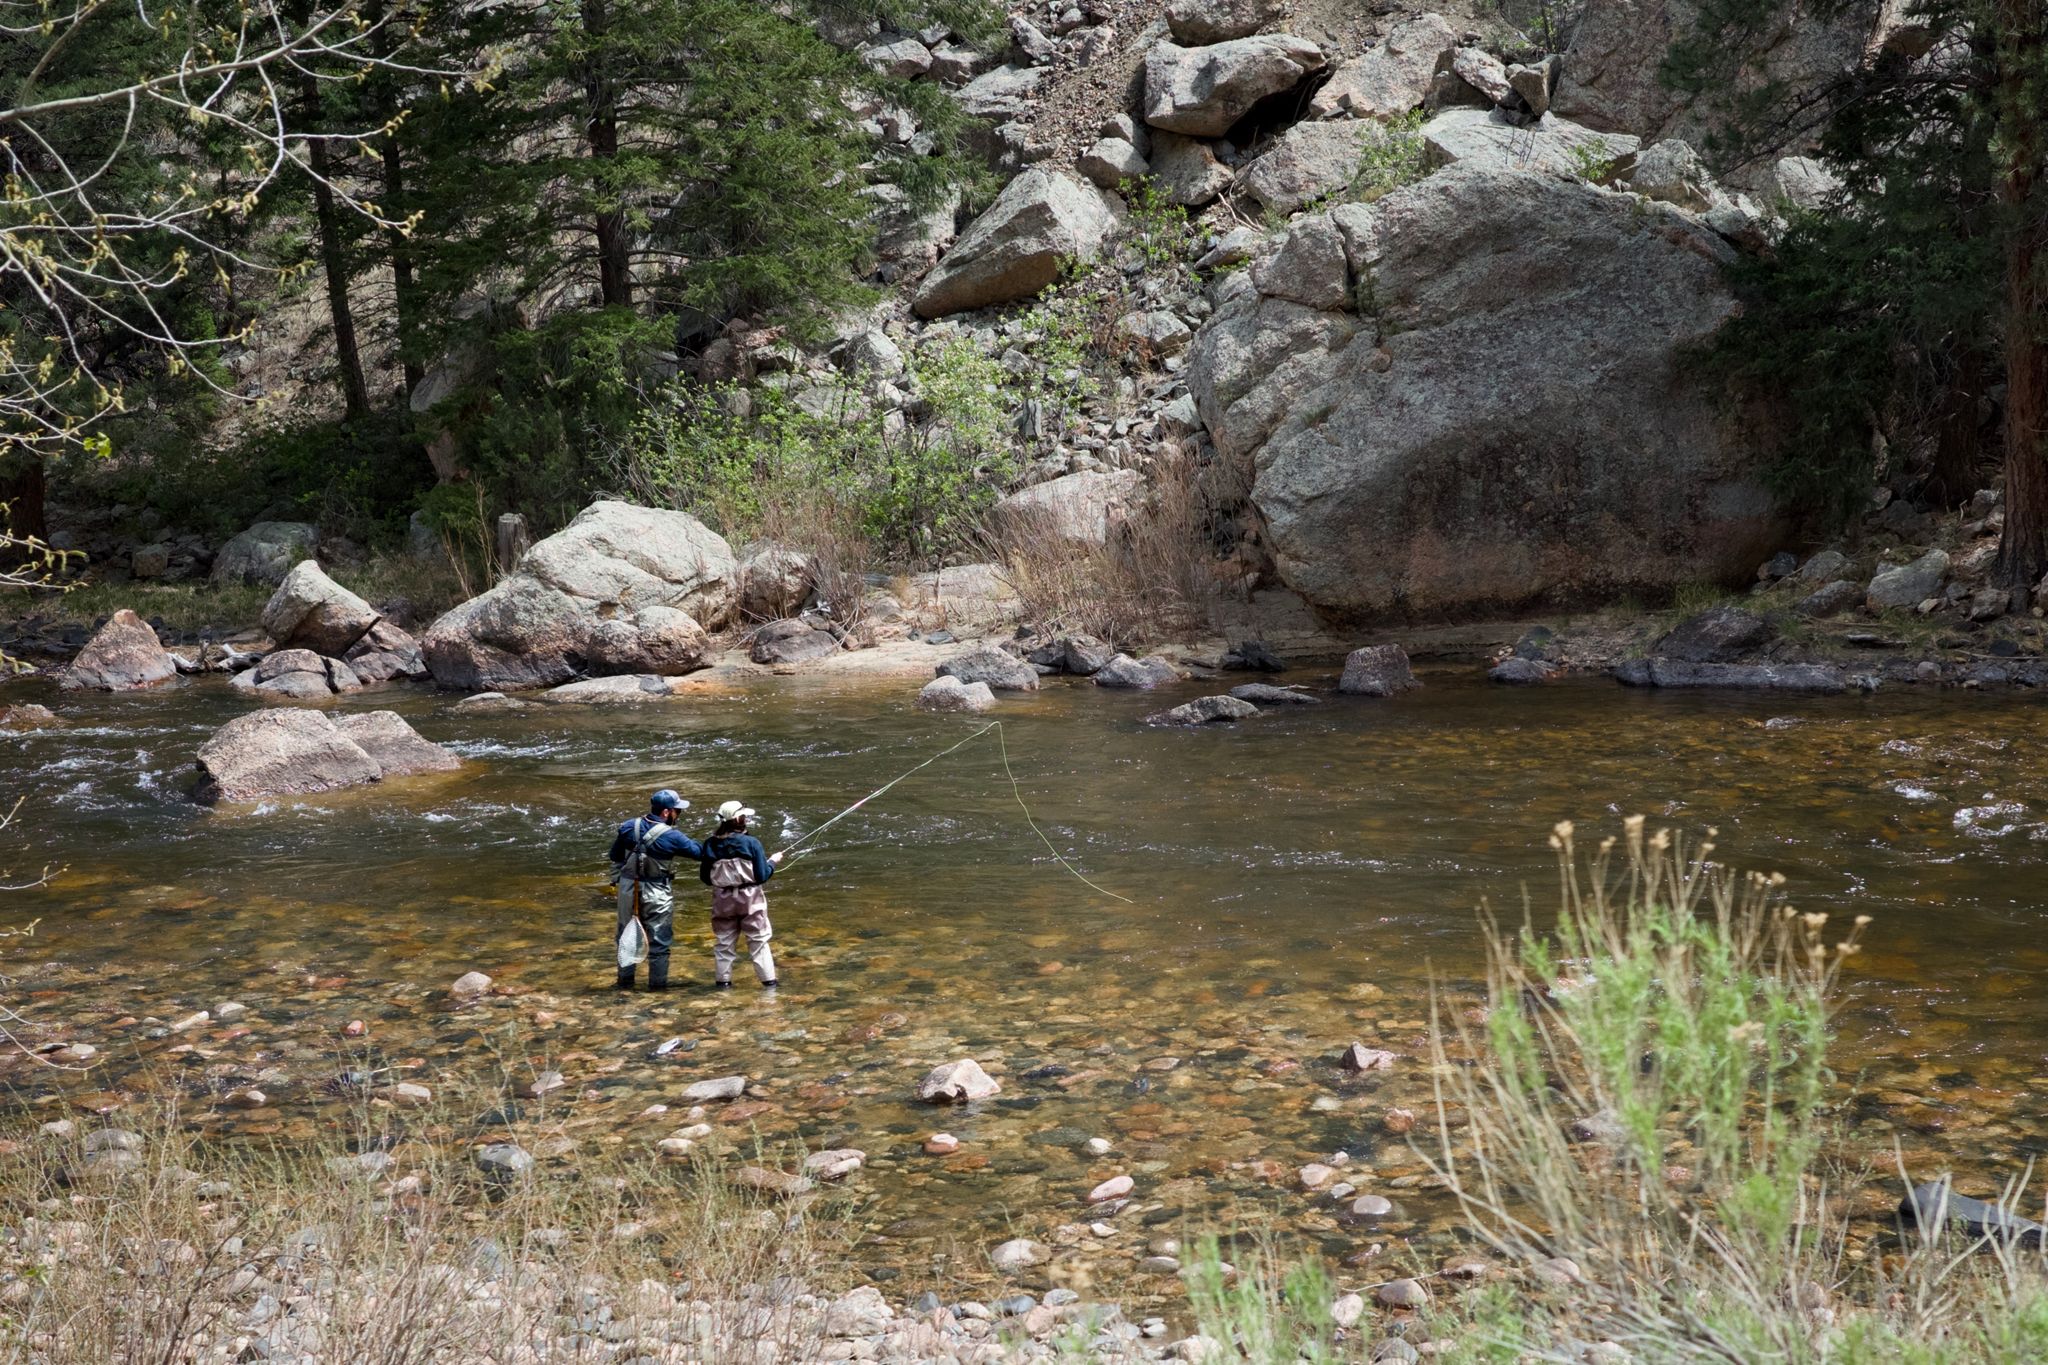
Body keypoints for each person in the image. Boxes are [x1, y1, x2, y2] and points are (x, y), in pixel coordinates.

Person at [606, 789, 703, 992]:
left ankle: (624, 986)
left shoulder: (627, 827)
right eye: (678, 810)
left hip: (627, 890)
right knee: (659, 941)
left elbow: (615, 855)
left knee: (626, 937)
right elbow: (699, 853)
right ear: (667, 813)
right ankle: (657, 990)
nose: (679, 814)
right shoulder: (673, 836)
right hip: (656, 892)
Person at [699, 799, 786, 989]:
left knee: (723, 943)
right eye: (744, 815)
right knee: (758, 940)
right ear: (739, 819)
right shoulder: (752, 843)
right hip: (750, 898)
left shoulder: (709, 844)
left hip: (722, 899)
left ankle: (723, 986)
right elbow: (762, 876)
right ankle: (770, 986)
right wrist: (773, 861)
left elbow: (705, 878)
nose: (747, 818)